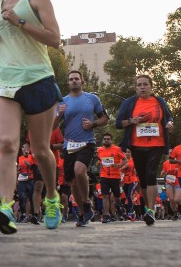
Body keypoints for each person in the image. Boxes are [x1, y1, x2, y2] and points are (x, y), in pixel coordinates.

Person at [0, 0, 64, 234]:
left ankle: (52, 198)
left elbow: (55, 39)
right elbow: (6, 49)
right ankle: (6, 206)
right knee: (6, 143)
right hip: (5, 79)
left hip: (38, 77)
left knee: (41, 149)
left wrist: (20, 22)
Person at [115, 74, 174, 226]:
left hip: (157, 144)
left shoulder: (159, 101)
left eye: (145, 84)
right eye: (139, 85)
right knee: (142, 179)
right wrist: (131, 121)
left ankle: (151, 210)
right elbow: (118, 123)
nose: (142, 87)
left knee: (151, 174)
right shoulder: (130, 103)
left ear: (151, 86)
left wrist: (169, 123)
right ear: (136, 88)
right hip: (136, 145)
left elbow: (168, 117)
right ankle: (148, 207)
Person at [56, 70, 109, 227]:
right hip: (69, 145)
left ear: (82, 81)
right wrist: (58, 115)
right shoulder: (62, 101)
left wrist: (93, 124)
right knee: (72, 182)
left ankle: (86, 202)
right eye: (71, 79)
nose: (73, 81)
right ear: (68, 82)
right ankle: (84, 212)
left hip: (87, 142)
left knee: (80, 170)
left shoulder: (92, 98)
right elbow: (53, 126)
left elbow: (104, 118)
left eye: (76, 79)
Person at [96, 133, 126, 224]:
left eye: (108, 139)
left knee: (117, 197)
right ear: (103, 140)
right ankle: (107, 215)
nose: (106, 140)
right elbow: (99, 160)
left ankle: (118, 206)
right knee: (105, 195)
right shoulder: (100, 150)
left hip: (115, 176)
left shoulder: (117, 149)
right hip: (104, 176)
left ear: (111, 140)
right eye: (105, 139)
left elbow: (125, 160)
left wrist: (118, 165)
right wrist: (99, 163)